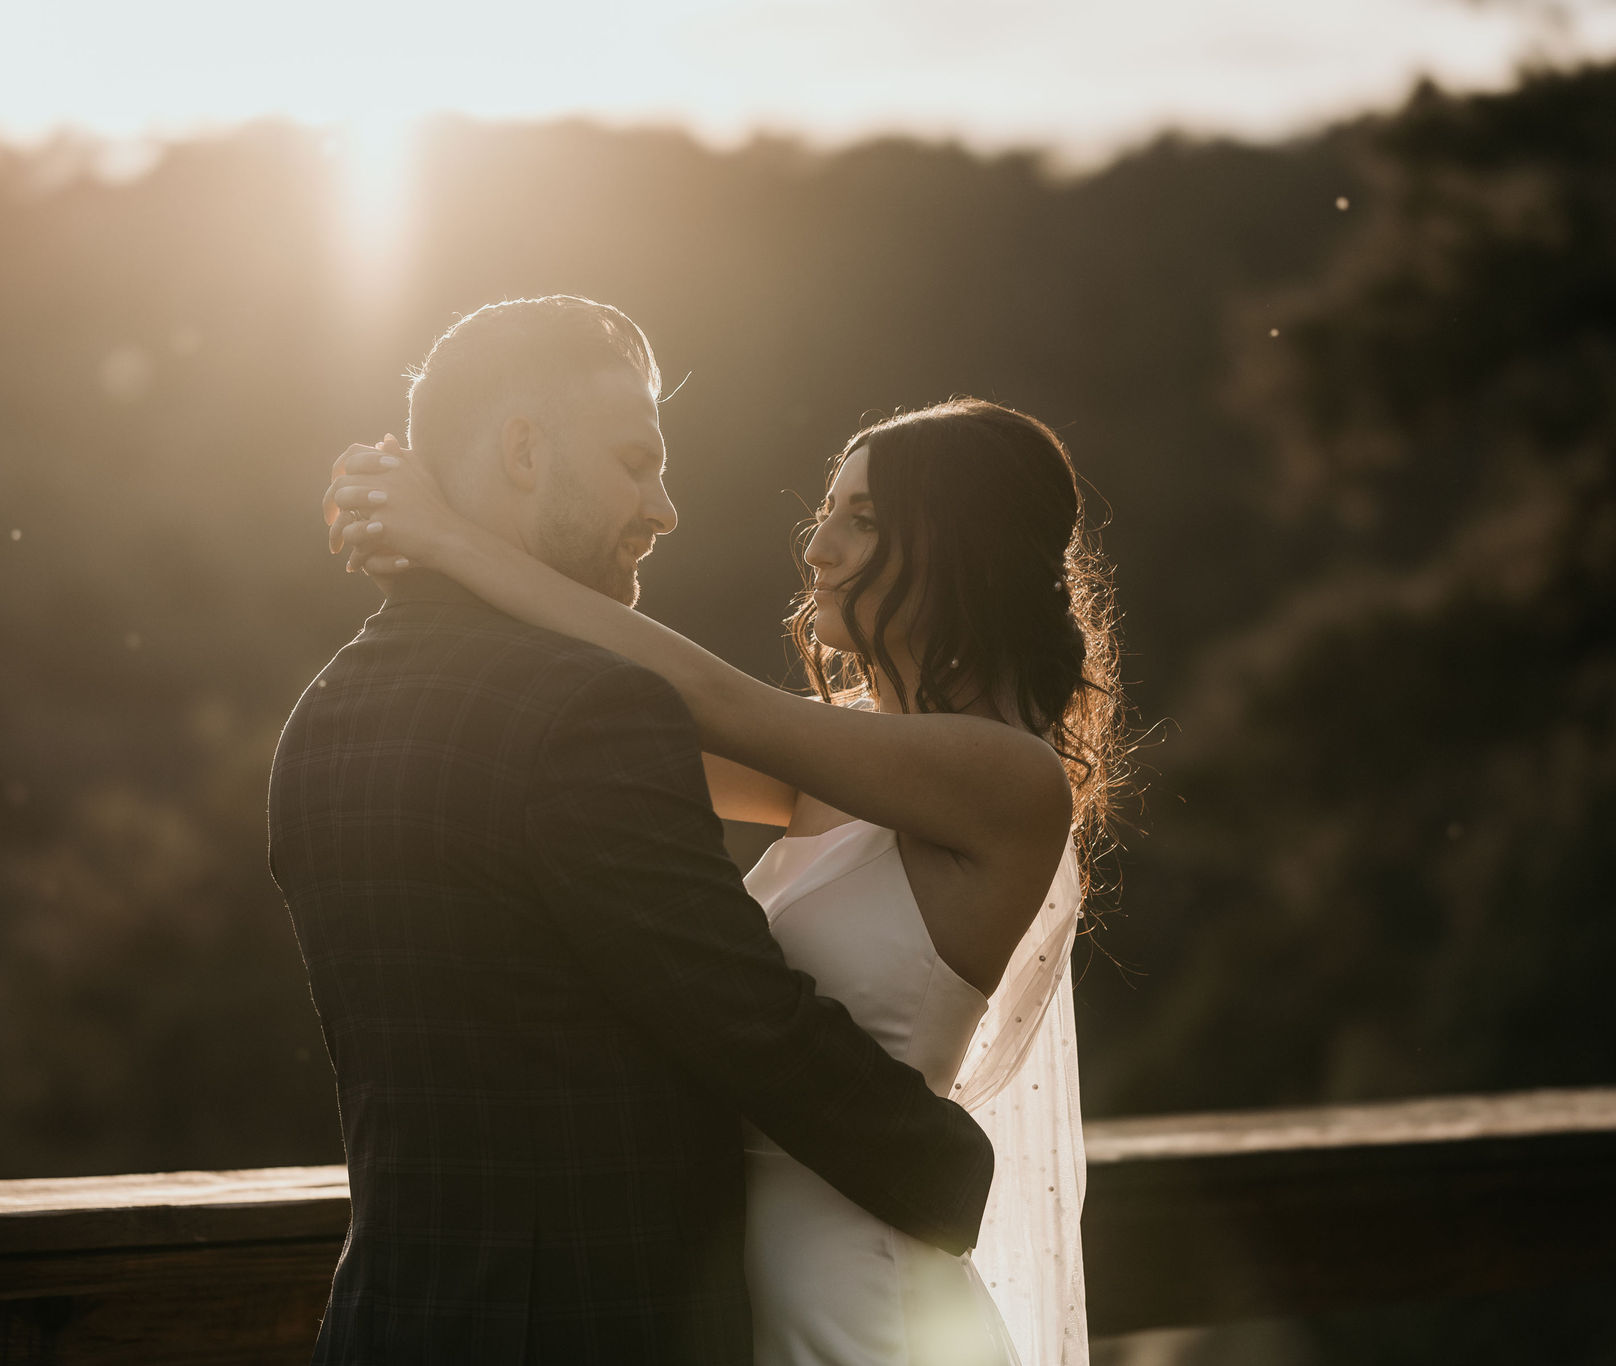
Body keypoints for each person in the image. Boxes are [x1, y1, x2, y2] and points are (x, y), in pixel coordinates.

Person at [324, 354, 1123, 1366]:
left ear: (962, 549)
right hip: (732, 1284)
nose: (819, 548)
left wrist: (446, 537)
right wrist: (440, 555)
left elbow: (707, 700)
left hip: (857, 1296)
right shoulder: (828, 756)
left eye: (863, 520)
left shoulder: (1003, 780)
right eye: (826, 510)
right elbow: (601, 719)